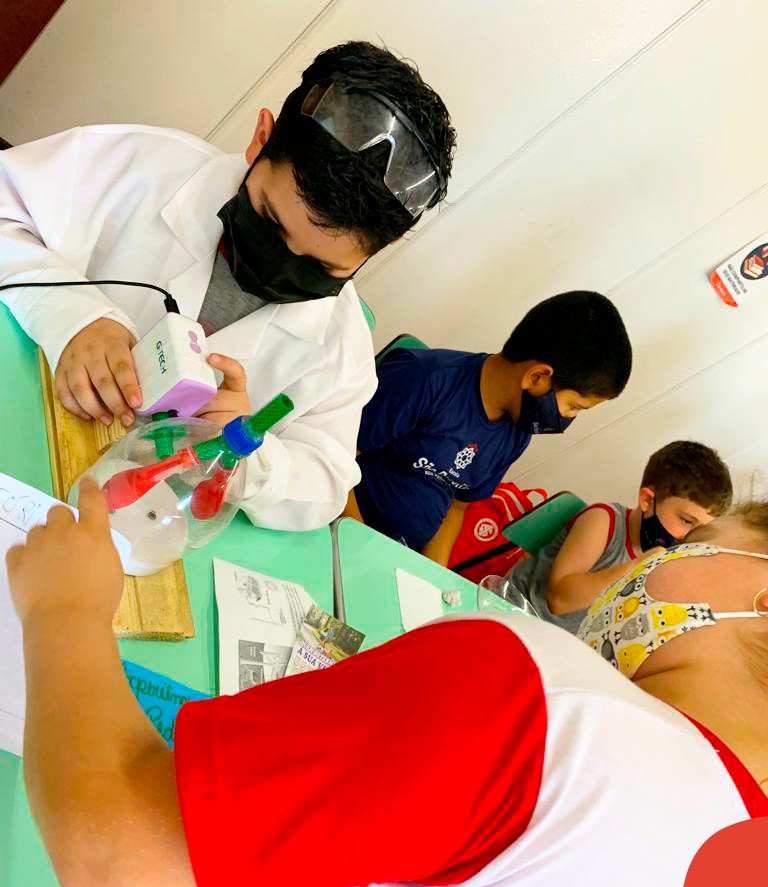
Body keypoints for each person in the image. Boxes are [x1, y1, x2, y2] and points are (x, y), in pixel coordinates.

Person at [8, 479, 767, 887]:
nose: (650, 562)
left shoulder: (539, 703)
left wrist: (63, 607)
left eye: (693, 545)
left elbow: (115, 864)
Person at [0, 42, 455, 530]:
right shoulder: (142, 167)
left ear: (384, 247)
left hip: (135, 518)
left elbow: (326, 481)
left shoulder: (342, 349)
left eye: (319, 267)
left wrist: (248, 457)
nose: (280, 264)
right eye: (269, 220)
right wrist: (71, 314)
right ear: (261, 140)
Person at [345, 291, 632, 564]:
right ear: (536, 377)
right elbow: (337, 455)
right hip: (342, 532)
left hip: (396, 555)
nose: (570, 417)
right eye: (574, 406)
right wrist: (358, 547)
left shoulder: (516, 435)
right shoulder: (424, 379)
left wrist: (429, 573)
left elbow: (457, 505)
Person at [510, 440, 733, 633]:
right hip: (516, 614)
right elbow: (559, 600)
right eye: (686, 520)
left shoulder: (663, 564)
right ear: (647, 500)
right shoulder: (603, 521)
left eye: (700, 530)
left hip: (557, 644)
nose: (689, 537)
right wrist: (635, 567)